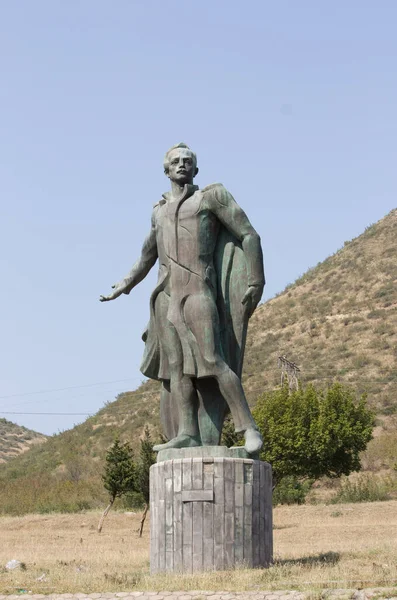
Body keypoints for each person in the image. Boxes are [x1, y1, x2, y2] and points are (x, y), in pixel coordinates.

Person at [100, 143, 265, 454]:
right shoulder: (158, 212)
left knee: (214, 361)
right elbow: (146, 256)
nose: (182, 164)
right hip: (167, 299)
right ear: (166, 170)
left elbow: (248, 234)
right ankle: (187, 432)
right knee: (177, 369)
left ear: (196, 169)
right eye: (176, 161)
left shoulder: (210, 198)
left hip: (199, 293)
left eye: (188, 161)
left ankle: (249, 428)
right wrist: (124, 284)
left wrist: (256, 278)